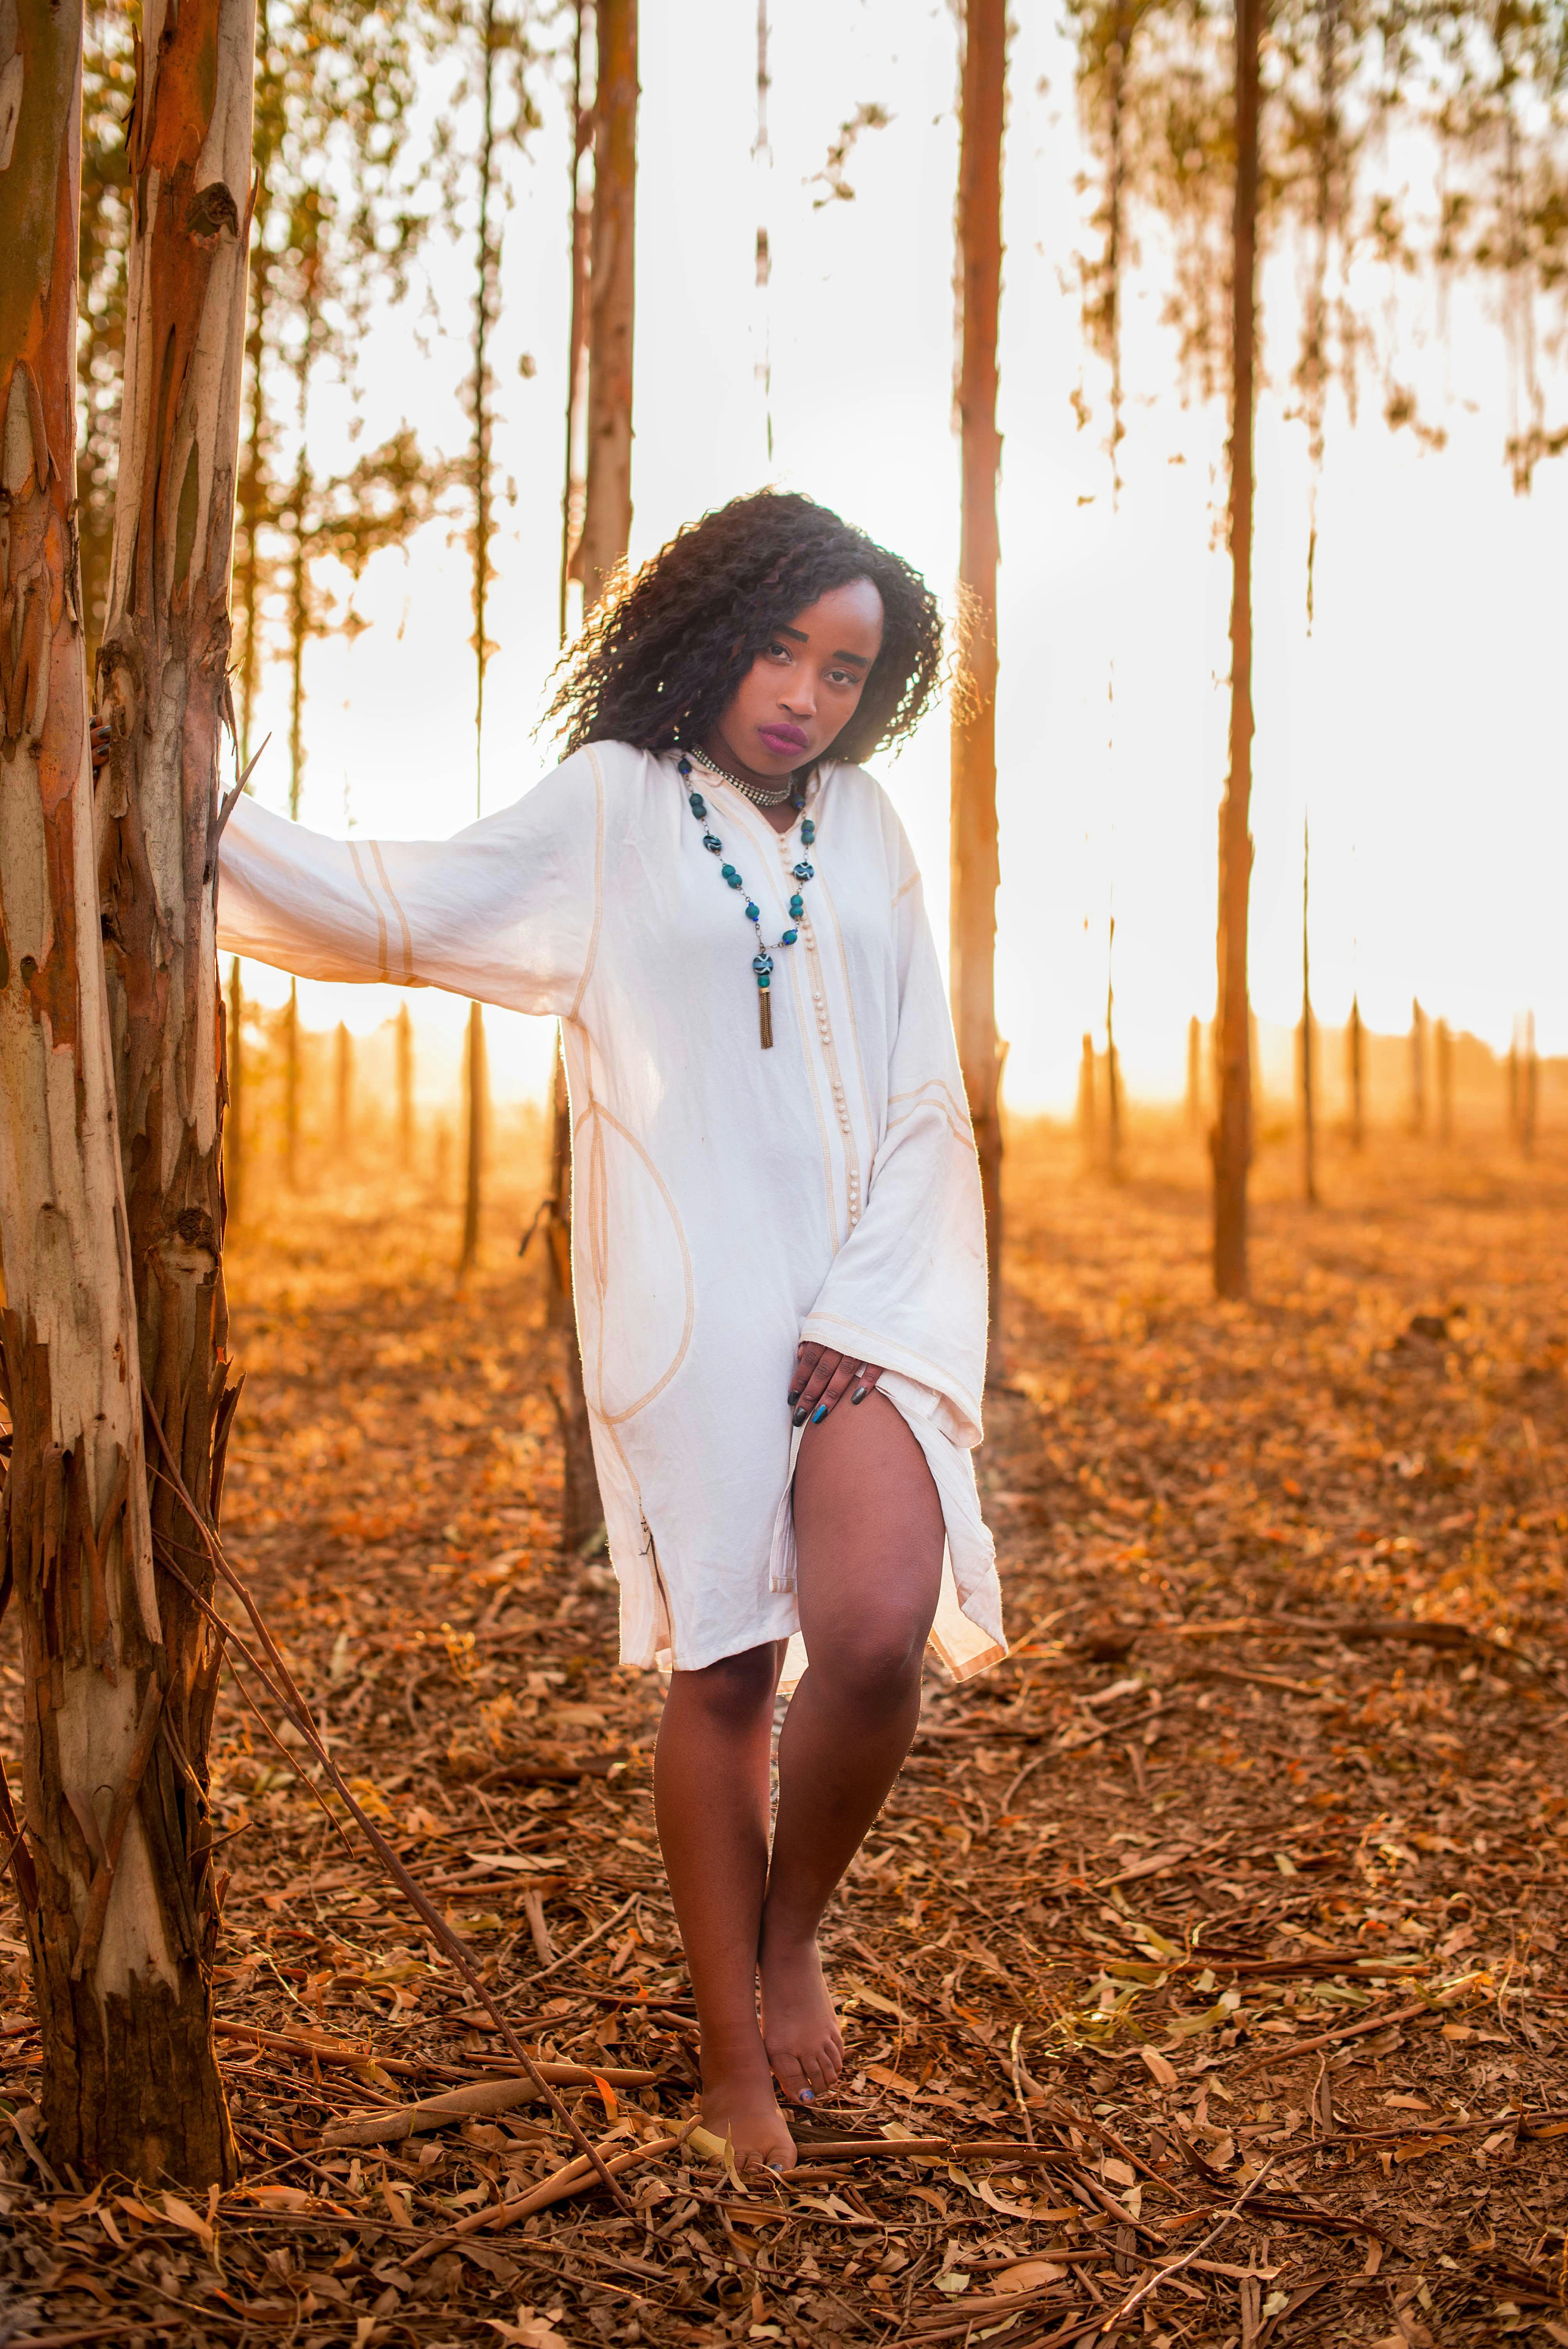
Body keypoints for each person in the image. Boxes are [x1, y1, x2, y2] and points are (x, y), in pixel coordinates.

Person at [214, 488, 1003, 2169]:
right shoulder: (610, 808)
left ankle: (793, 1930)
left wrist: (875, 1297)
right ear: (712, 631)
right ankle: (729, 2042)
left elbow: (928, 1085)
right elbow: (398, 908)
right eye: (779, 644)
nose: (803, 691)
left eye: (846, 668)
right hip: (694, 1293)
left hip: (860, 1295)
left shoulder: (867, 829)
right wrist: (199, 805)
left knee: (873, 1627)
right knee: (725, 1662)